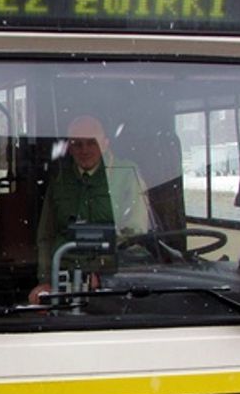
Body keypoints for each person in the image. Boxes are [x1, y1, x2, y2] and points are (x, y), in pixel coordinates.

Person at [28, 115, 151, 303]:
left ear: (105, 144)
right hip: (64, 280)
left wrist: (103, 273)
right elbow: (46, 236)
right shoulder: (60, 180)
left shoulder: (127, 174)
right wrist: (45, 281)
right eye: (77, 144)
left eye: (91, 143)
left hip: (114, 283)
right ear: (69, 148)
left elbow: (136, 232)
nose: (84, 150)